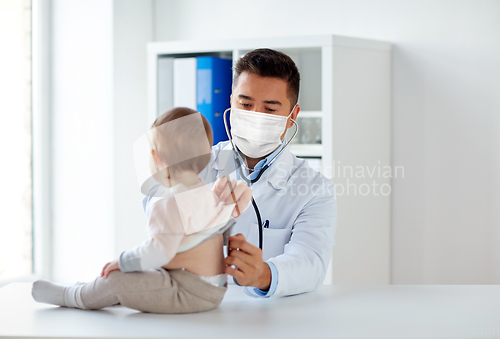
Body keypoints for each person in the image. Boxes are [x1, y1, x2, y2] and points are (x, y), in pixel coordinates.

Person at [152, 48, 338, 299]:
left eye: (270, 109)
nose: (255, 117)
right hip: (190, 305)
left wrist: (264, 274)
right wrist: (199, 206)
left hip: (270, 319)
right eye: (246, 104)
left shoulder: (315, 189)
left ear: (292, 116)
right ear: (231, 101)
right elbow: (153, 207)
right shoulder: (196, 161)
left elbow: (310, 262)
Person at [31, 107, 252, 313]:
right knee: (142, 275)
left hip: (188, 291)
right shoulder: (206, 193)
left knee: (117, 280)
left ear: (157, 158)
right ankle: (95, 290)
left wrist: (123, 261)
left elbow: (158, 252)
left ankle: (73, 296)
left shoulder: (168, 201)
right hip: (213, 290)